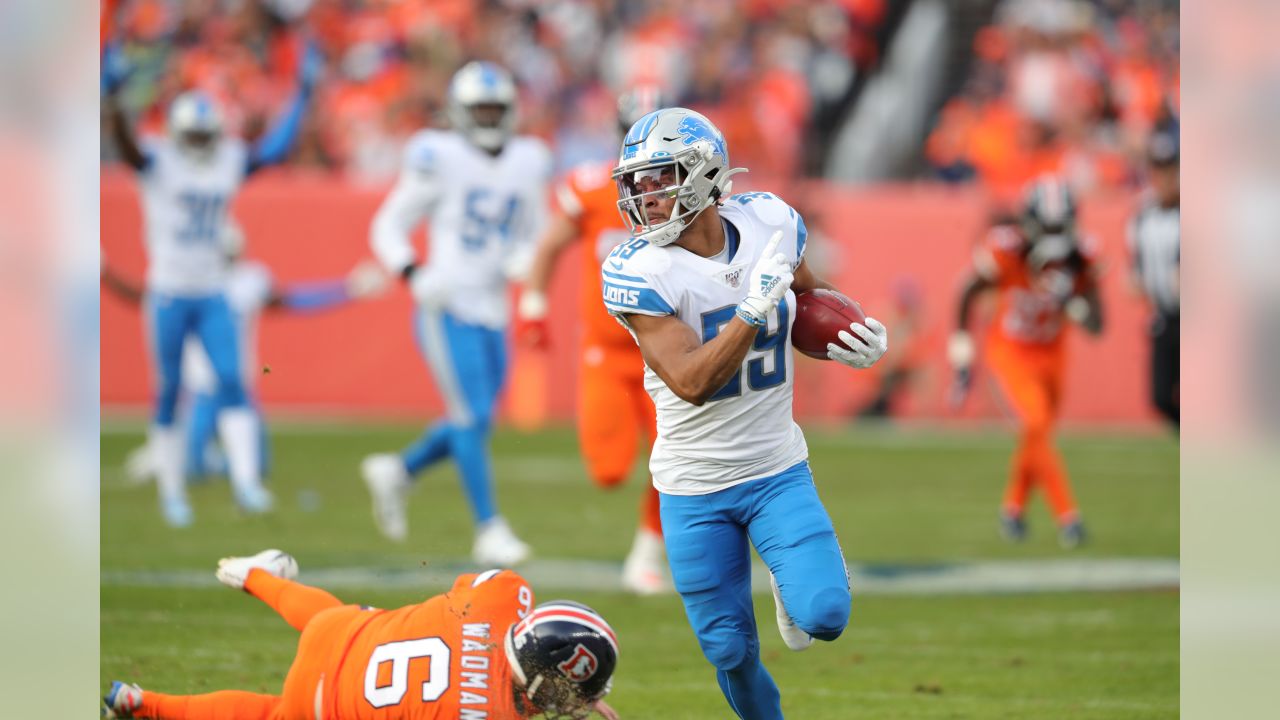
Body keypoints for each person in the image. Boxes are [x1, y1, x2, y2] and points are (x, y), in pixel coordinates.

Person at [601, 108, 889, 720]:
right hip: (693, 486)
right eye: (638, 184)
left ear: (704, 174)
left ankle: (791, 587)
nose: (645, 198)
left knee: (825, 616)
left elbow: (809, 297)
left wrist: (853, 333)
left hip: (775, 467)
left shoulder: (769, 221)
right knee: (729, 650)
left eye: (661, 178)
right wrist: (751, 310)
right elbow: (692, 381)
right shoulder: (638, 270)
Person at [102, 42, 321, 526]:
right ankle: (172, 493)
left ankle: (247, 485)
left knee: (233, 383)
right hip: (169, 291)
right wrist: (114, 99)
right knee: (170, 389)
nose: (201, 145)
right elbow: (127, 145)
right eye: (194, 137)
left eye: (207, 136)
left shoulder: (226, 158)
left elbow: (273, 152)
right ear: (179, 134)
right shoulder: (158, 159)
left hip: (213, 289)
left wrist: (303, 95)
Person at [362, 61, 550, 566]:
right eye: (479, 109)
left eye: (496, 108)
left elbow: (539, 231)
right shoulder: (437, 154)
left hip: (493, 307)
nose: (488, 117)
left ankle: (399, 471)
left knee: (478, 418)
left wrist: (525, 259)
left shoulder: (530, 159)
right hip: (446, 304)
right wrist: (413, 273)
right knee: (469, 417)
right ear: (460, 112)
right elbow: (387, 225)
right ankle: (489, 526)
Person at [102, 549, 620, 719]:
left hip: (345, 631)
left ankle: (252, 575)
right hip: (323, 708)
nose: (566, 702)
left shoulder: (504, 595)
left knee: (336, 617)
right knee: (270, 715)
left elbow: (469, 589)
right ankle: (145, 702)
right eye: (567, 689)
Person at [516, 87, 668, 594]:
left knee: (673, 458)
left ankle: (647, 554)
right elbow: (550, 245)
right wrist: (533, 305)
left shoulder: (686, 196)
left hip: (666, 352)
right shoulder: (591, 188)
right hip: (605, 352)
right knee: (607, 470)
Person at [102, 222, 390, 484]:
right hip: (200, 388)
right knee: (194, 470)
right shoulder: (188, 282)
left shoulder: (250, 280)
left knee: (258, 465)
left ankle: (186, 455)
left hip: (238, 384)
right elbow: (142, 295)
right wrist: (106, 273)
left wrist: (347, 289)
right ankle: (168, 455)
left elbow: (294, 300)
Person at [949, 176, 1105, 548]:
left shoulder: (1081, 258)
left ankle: (1012, 510)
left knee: (1038, 436)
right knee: (1035, 423)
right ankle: (1069, 518)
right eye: (1046, 226)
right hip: (1011, 351)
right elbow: (967, 291)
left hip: (1053, 355)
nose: (1052, 234)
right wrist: (962, 354)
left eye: (1059, 226)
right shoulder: (1007, 248)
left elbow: (1097, 325)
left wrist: (1072, 300)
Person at [1128, 131, 1180, 428]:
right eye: (1158, 170)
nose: (1163, 178)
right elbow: (1137, 266)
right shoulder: (1143, 216)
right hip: (1163, 316)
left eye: (1169, 170)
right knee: (1161, 397)